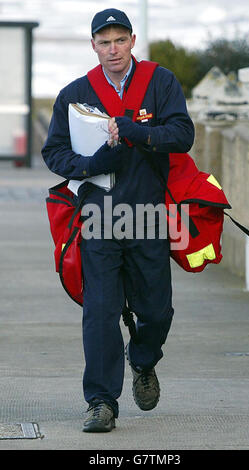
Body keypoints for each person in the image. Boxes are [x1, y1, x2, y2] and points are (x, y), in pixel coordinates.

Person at [42, 8, 194, 433]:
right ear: (93, 45)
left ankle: (143, 360)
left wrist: (138, 132)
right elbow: (54, 154)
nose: (113, 49)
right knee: (101, 312)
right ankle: (101, 401)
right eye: (103, 42)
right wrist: (92, 164)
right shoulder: (74, 94)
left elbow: (182, 134)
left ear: (132, 41)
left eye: (119, 40)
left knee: (157, 310)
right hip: (97, 217)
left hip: (147, 214)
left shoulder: (160, 82)